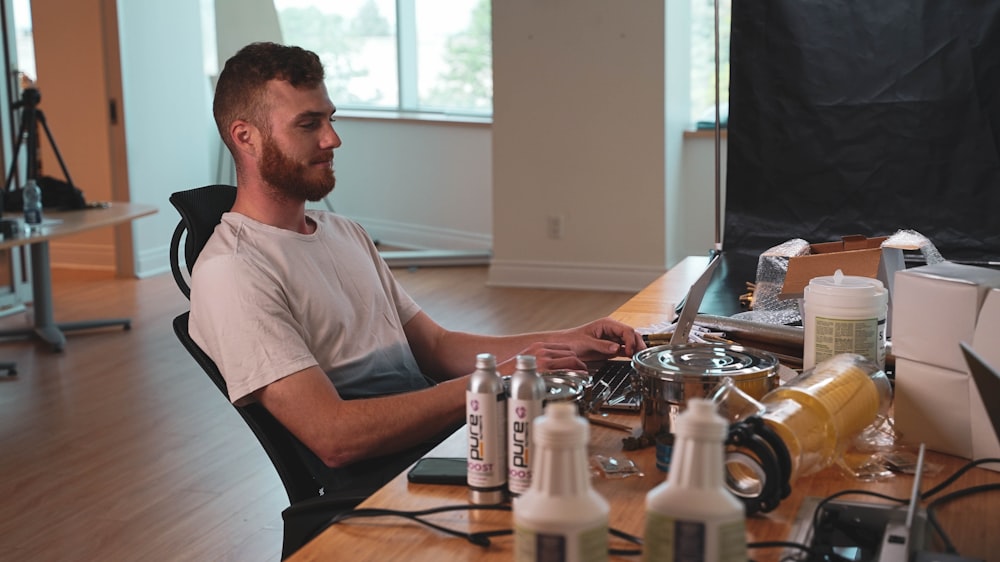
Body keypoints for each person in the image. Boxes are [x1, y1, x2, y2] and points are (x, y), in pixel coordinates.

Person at [189, 42, 645, 495]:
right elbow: (334, 437)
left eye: (331, 119)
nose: (332, 139)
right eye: (309, 124)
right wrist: (501, 379)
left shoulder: (342, 232)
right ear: (245, 136)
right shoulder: (233, 271)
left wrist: (566, 342)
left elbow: (437, 347)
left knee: (629, 450)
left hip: (447, 440)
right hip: (394, 481)